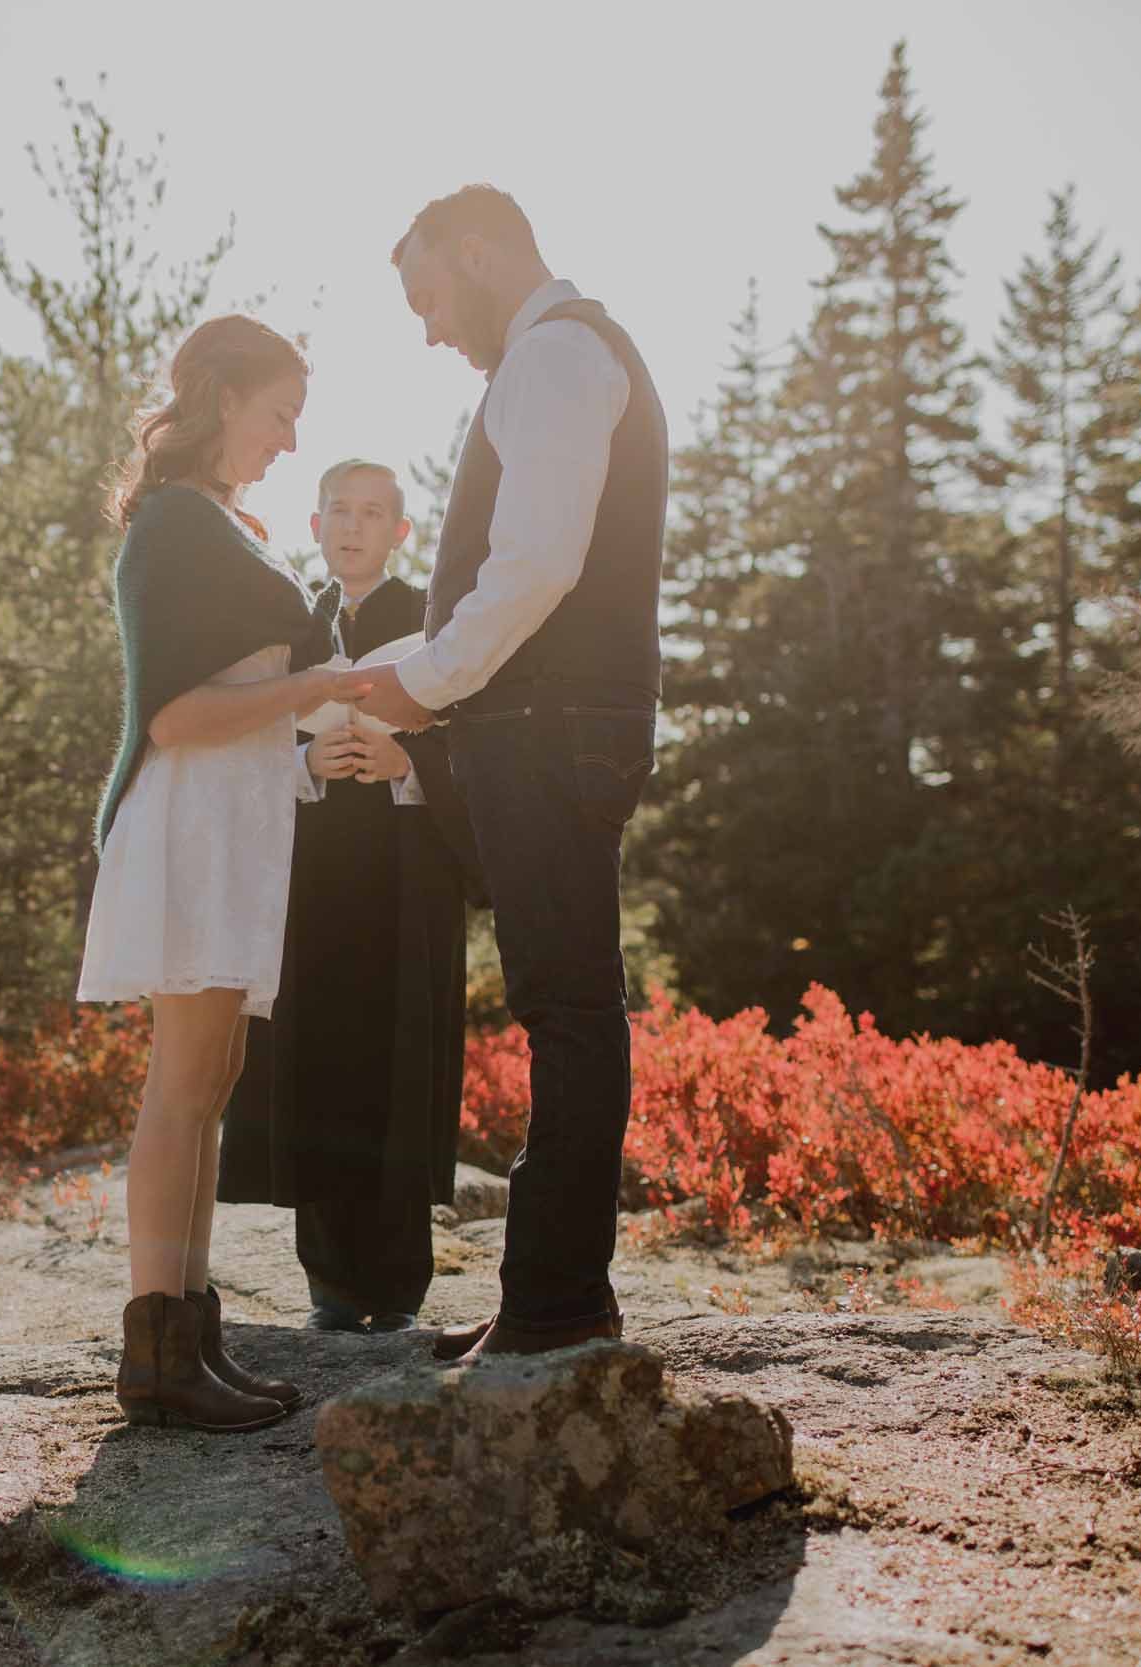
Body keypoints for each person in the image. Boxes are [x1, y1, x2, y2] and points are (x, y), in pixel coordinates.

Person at [354, 186, 669, 1365]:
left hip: (548, 726)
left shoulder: (553, 357)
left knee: (570, 1007)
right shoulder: (553, 360)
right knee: (565, 1001)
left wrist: (424, 683)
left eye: (430, 295)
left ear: (478, 254)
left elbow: (534, 565)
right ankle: (547, 1290)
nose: (430, 327)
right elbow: (509, 577)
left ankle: (556, 1305)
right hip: (542, 723)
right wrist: (385, 676)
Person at [77, 315, 376, 1431]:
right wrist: (308, 695)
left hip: (238, 818)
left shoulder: (218, 522)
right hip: (189, 821)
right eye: (281, 413)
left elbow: (245, 697)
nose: (292, 440)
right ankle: (154, 1346)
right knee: (183, 1080)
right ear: (223, 397)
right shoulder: (170, 526)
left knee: (213, 1081)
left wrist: (317, 732)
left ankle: (190, 1332)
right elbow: (178, 713)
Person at [217, 459, 482, 1334]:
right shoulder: (294, 630)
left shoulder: (441, 623)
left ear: (402, 532)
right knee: (321, 1060)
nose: (355, 525)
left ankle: (396, 1284)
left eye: (375, 513)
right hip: (319, 879)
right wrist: (304, 764)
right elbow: (244, 740)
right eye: (340, 510)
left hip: (410, 878)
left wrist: (412, 765)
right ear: (317, 522)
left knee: (396, 1061)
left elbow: (483, 744)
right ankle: (329, 1280)